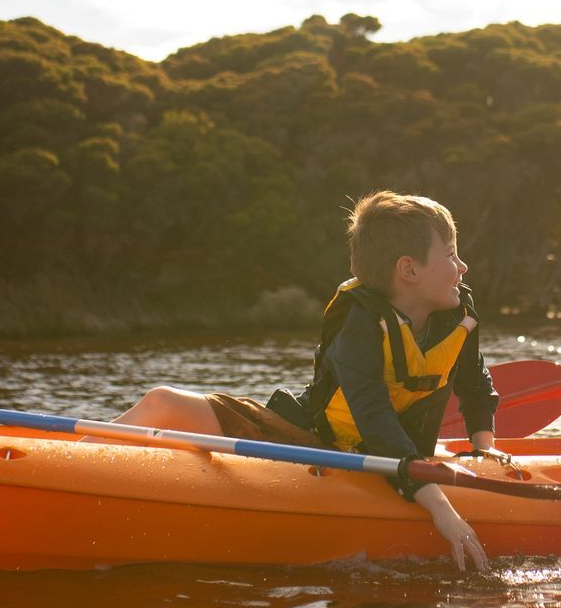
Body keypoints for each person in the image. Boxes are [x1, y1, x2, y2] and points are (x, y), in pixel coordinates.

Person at [116, 191, 502, 571]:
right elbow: (374, 416)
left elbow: (474, 382)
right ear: (409, 270)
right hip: (310, 439)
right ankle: (60, 457)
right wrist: (439, 506)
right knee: (163, 403)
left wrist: (484, 447)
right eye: (451, 254)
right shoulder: (360, 326)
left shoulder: (459, 314)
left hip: (389, 455)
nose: (463, 266)